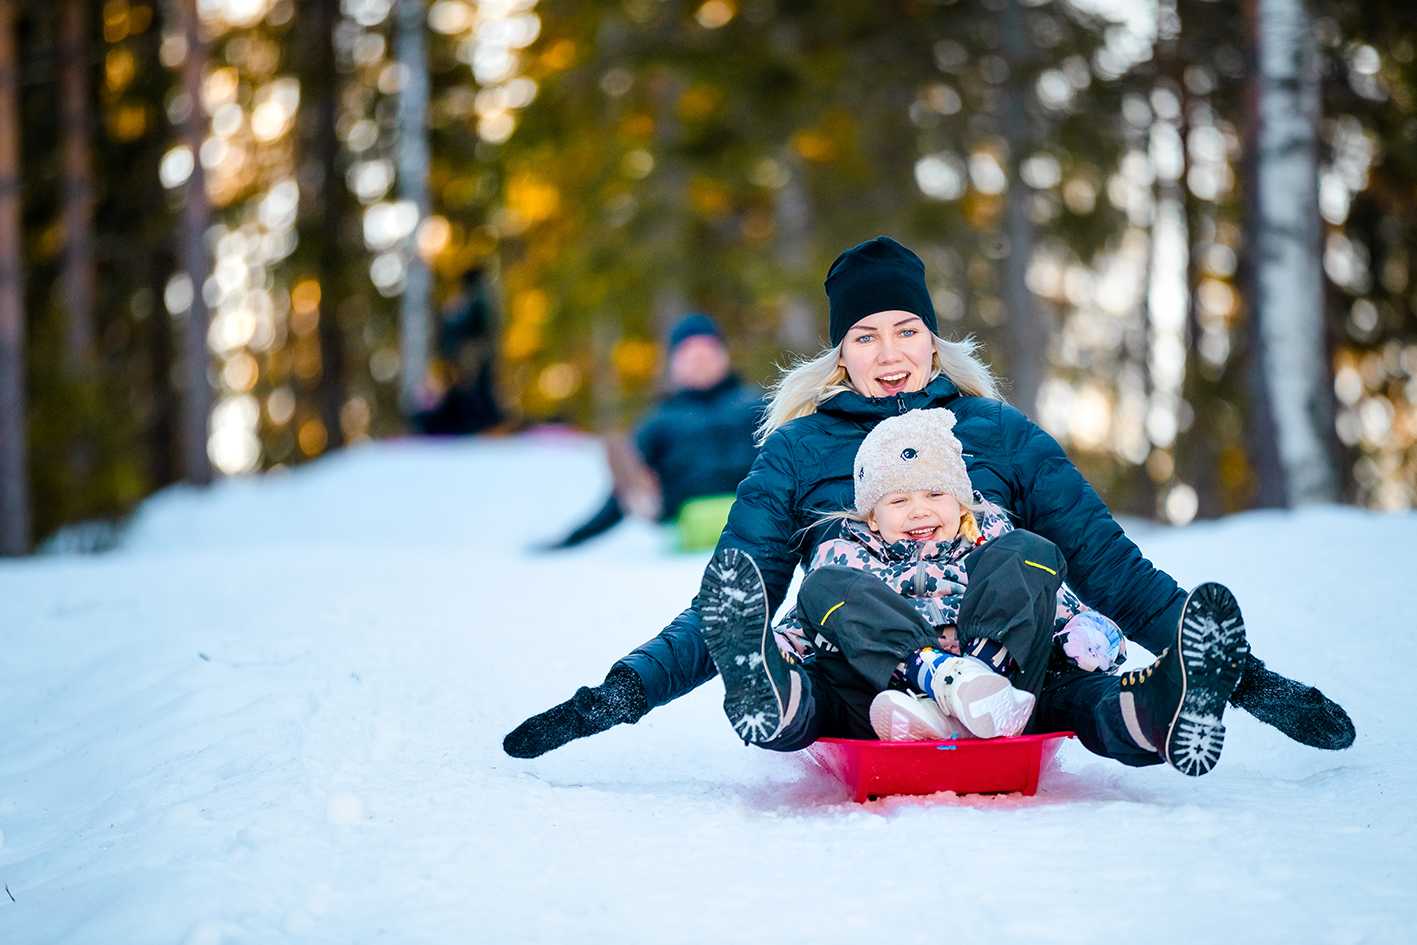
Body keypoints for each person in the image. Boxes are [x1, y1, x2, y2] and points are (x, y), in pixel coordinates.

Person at [503, 236, 1355, 775]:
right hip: (870, 684)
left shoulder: (999, 433)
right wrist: (612, 696)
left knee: (1064, 641)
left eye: (905, 329)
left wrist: (1252, 683)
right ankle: (777, 702)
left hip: (1008, 670)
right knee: (812, 618)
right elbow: (733, 602)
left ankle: (1160, 706)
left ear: (933, 336)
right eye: (864, 335)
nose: (889, 353)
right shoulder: (798, 450)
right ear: (841, 353)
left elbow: (1111, 570)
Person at [763, 406, 1128, 743]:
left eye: (936, 494)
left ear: (959, 499)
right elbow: (797, 632)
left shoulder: (994, 545)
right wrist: (769, 652)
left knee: (1030, 551)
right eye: (899, 500)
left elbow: (1075, 616)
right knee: (822, 586)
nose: (920, 512)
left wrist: (1091, 638)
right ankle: (934, 678)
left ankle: (983, 682)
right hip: (891, 702)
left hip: (1006, 693)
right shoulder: (846, 557)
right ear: (873, 516)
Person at [545, 313, 763, 550]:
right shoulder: (660, 421)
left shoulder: (757, 406)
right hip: (687, 522)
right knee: (627, 460)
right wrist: (571, 540)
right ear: (674, 363)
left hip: (758, 513)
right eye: (689, 353)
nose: (700, 360)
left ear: (724, 355)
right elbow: (619, 499)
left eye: (707, 350)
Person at [413, 267, 503, 436]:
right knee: (480, 391)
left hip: (473, 355)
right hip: (477, 354)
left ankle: (483, 426)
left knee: (477, 392)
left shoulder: (478, 296)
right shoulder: (487, 294)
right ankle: (486, 425)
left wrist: (451, 317)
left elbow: (473, 322)